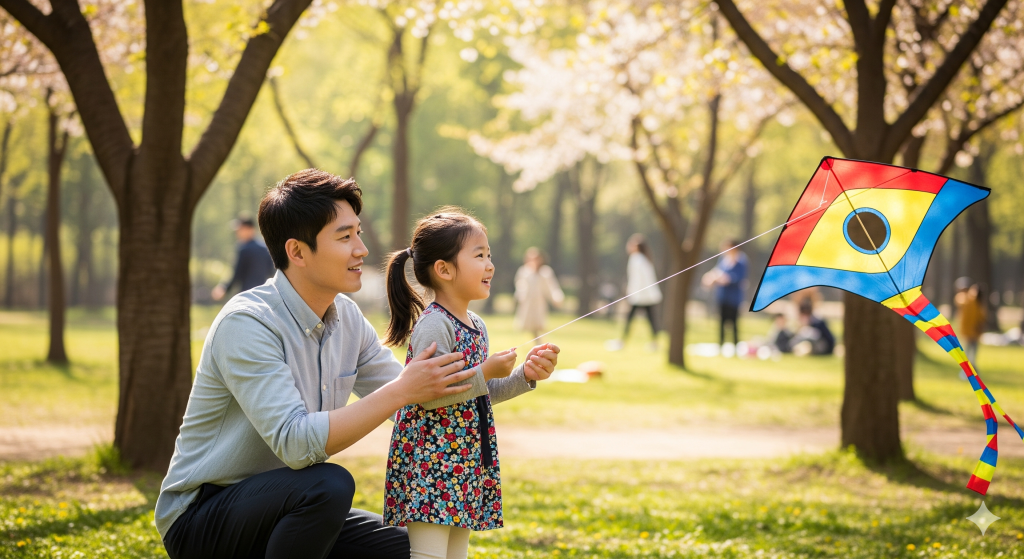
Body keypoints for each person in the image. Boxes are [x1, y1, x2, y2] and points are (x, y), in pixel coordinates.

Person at [155, 170, 561, 559]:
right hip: (204, 518)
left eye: (359, 234)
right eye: (344, 237)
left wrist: (522, 377)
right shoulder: (248, 323)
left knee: (414, 551)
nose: (362, 250)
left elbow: (426, 396)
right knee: (328, 485)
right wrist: (404, 389)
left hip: (288, 507)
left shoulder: (347, 318)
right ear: (297, 251)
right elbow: (297, 444)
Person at [381, 209, 554, 559]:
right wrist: (486, 370)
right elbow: (430, 396)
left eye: (489, 255)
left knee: (456, 555)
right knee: (429, 554)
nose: (490, 264)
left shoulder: (476, 324)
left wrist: (524, 376)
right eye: (479, 256)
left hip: (464, 461)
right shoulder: (434, 325)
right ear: (444, 270)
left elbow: (478, 395)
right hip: (431, 462)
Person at [605, 234, 661, 352]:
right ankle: (654, 343)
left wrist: (630, 292)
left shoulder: (636, 258)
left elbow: (637, 280)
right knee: (650, 320)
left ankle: (622, 342)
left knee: (632, 319)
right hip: (646, 295)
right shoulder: (644, 259)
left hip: (640, 296)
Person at [211, 215, 276, 301]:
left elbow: (237, 274)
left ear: (250, 229)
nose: (237, 232)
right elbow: (272, 272)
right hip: (263, 296)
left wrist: (224, 288)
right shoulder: (266, 248)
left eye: (240, 229)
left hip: (247, 296)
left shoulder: (244, 249)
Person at [701, 239, 748, 348]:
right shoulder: (723, 259)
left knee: (734, 323)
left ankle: (736, 345)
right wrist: (710, 277)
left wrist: (723, 279)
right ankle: (721, 345)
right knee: (721, 321)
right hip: (722, 296)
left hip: (734, 298)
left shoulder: (741, 260)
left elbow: (738, 278)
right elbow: (716, 271)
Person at [513, 247, 564, 340]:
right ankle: (532, 342)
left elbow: (551, 287)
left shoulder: (545, 272)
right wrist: (519, 296)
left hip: (539, 303)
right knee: (527, 325)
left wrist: (556, 298)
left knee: (538, 325)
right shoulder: (524, 271)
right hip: (527, 303)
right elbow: (520, 285)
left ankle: (537, 342)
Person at [955, 277, 986, 366]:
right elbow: (959, 300)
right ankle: (968, 370)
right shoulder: (966, 299)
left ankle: (970, 370)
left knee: (971, 353)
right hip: (968, 331)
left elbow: (981, 316)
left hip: (974, 331)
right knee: (968, 353)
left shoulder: (974, 301)